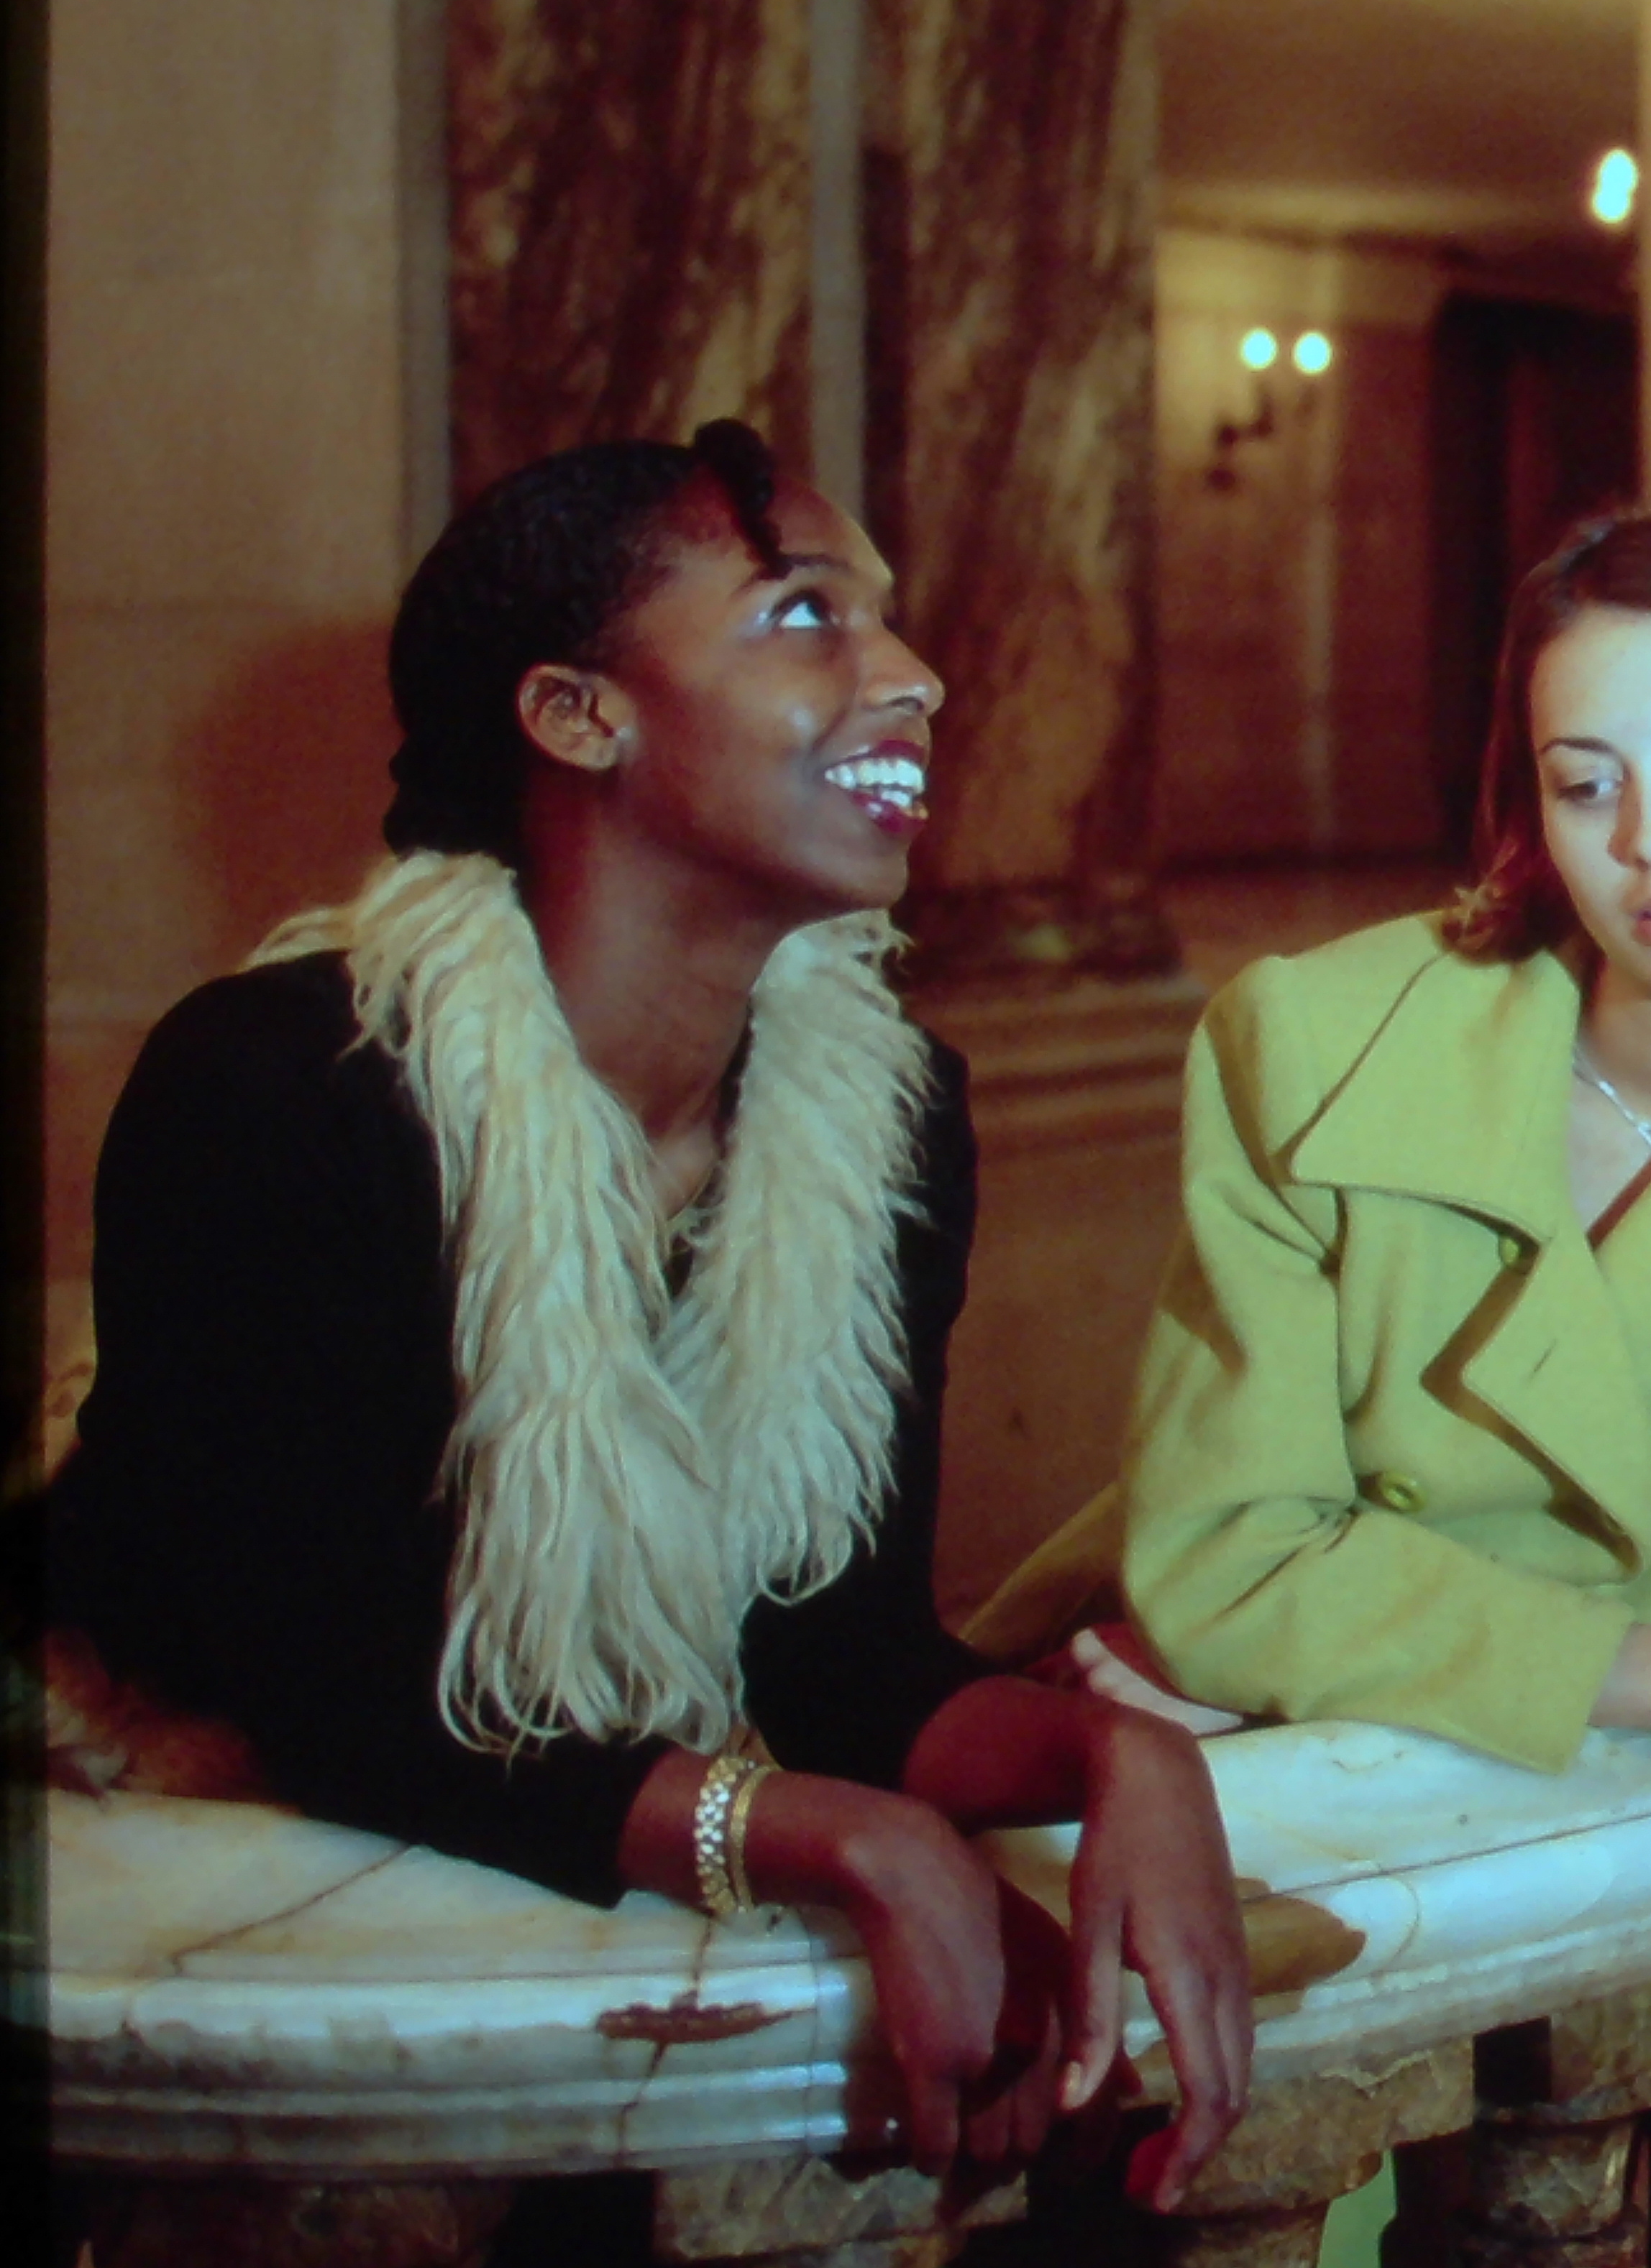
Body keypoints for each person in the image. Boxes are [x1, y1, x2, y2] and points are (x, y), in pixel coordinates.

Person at [33, 423, 1254, 2213]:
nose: (913, 676)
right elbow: (337, 1699)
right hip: (194, 1878)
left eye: (886, 618)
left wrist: (1110, 1751)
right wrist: (840, 1833)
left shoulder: (888, 1115)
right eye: (805, 614)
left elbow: (834, 1653)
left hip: (541, 1892)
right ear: (576, 714)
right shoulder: (280, 1087)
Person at [989, 501, 1651, 1965]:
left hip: (1290, 1716)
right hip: (1129, 1717)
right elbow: (1225, 1561)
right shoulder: (1312, 1043)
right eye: (1584, 782)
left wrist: (1319, 1652)